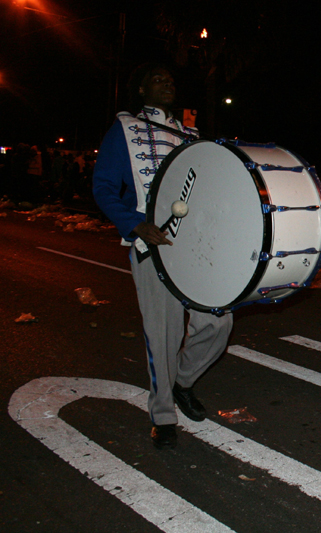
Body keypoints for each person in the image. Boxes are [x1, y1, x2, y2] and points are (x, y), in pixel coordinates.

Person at [93, 63, 233, 449]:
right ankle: (163, 413)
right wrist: (135, 224)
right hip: (150, 245)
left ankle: (182, 382)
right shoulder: (124, 130)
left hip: (195, 248)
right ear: (141, 90)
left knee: (218, 322)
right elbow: (103, 186)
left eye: (170, 79)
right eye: (157, 79)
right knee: (163, 335)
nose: (167, 83)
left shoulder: (190, 134)